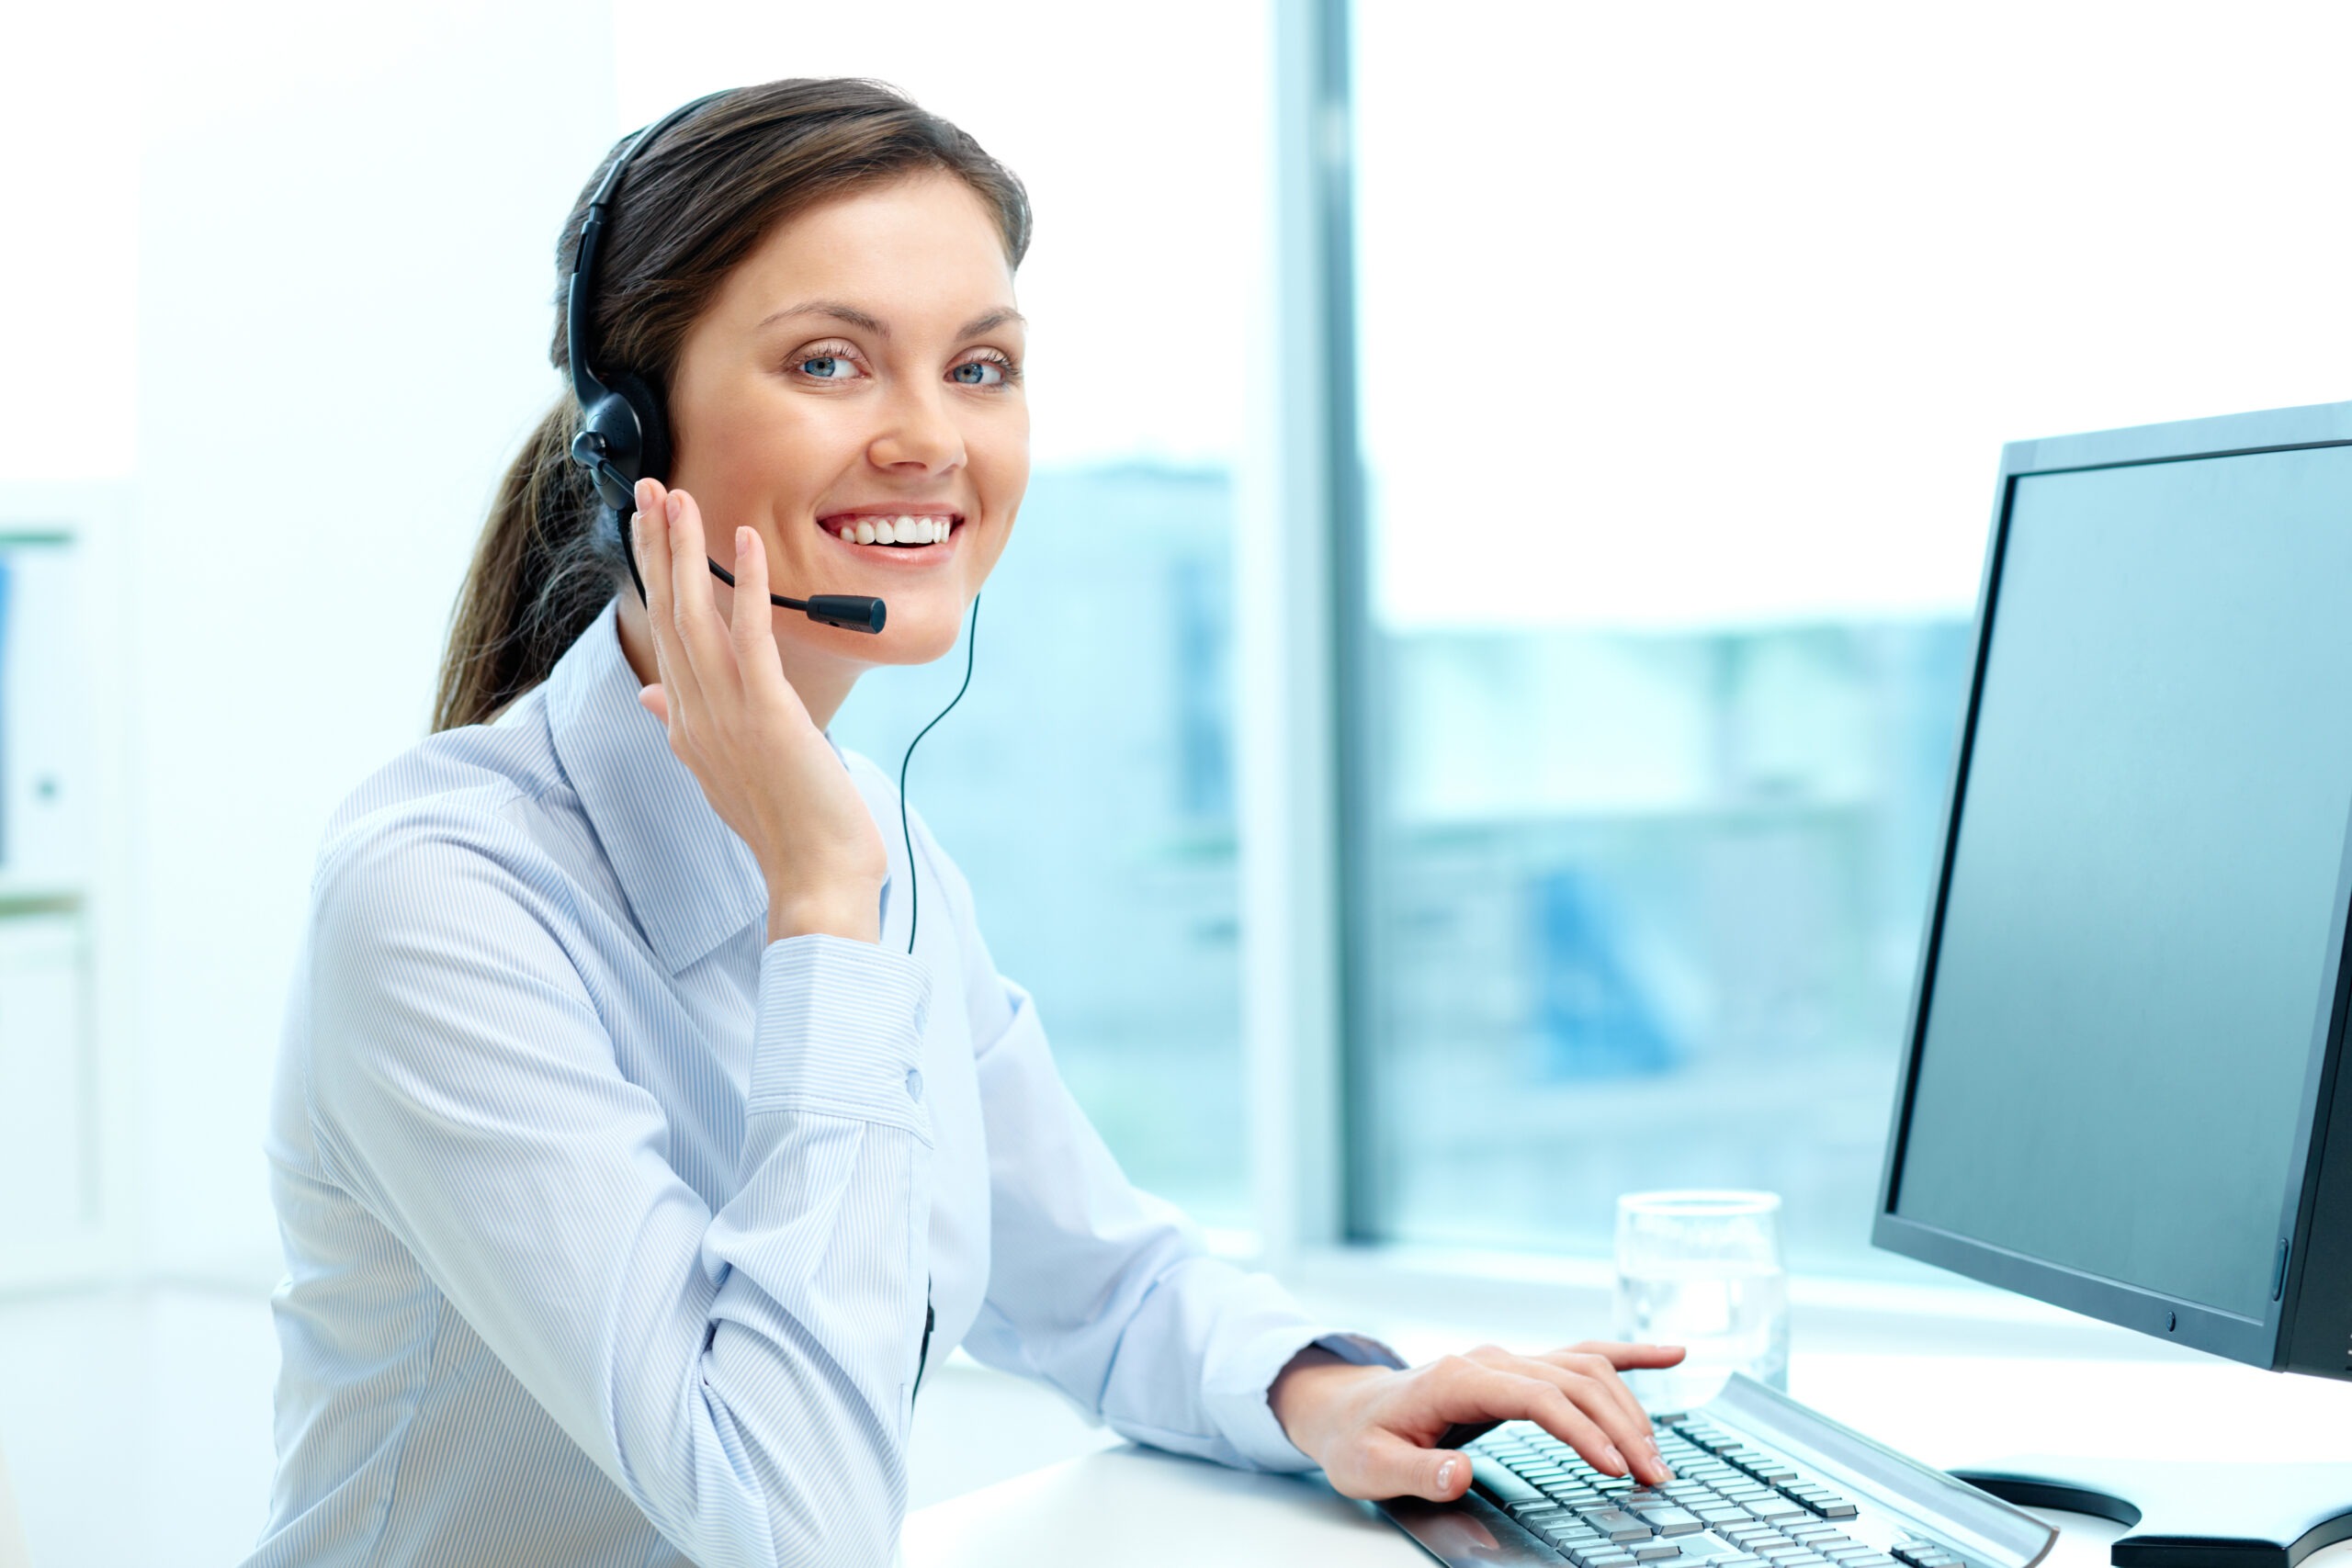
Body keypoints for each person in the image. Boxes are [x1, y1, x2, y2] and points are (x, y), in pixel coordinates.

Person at [247, 78, 1683, 1567]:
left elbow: (1097, 1279)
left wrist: (1338, 1396)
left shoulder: (875, 848)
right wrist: (820, 904)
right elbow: (785, 1527)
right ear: (634, 437)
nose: (930, 438)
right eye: (830, 361)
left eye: (981, 367)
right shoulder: (445, 897)